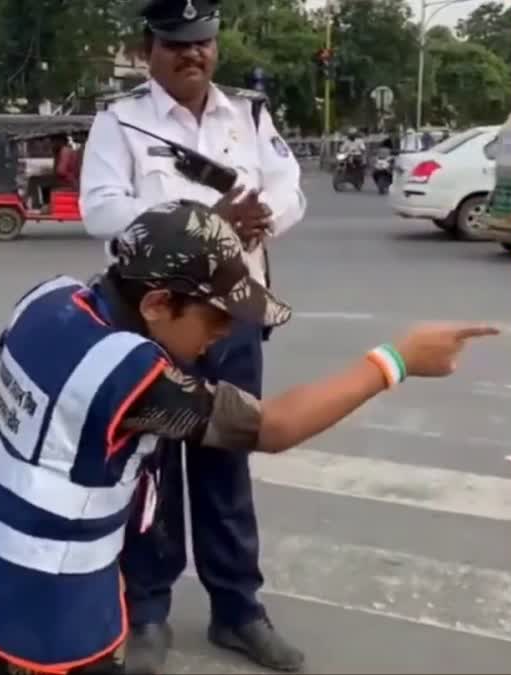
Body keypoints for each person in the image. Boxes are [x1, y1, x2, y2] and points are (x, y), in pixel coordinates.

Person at [0, 200, 496, 675]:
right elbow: (274, 426)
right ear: (158, 304)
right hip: (45, 612)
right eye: (214, 321)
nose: (219, 340)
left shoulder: (50, 299)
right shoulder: (136, 377)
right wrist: (396, 361)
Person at [78, 0, 309, 671]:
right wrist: (207, 219)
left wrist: (265, 216)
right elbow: (101, 209)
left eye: (204, 41)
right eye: (178, 43)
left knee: (227, 460)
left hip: (232, 314)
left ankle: (239, 609)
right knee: (149, 463)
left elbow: (290, 185)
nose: (194, 55)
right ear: (149, 46)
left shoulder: (250, 114)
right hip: (151, 319)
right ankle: (146, 610)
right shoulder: (119, 119)